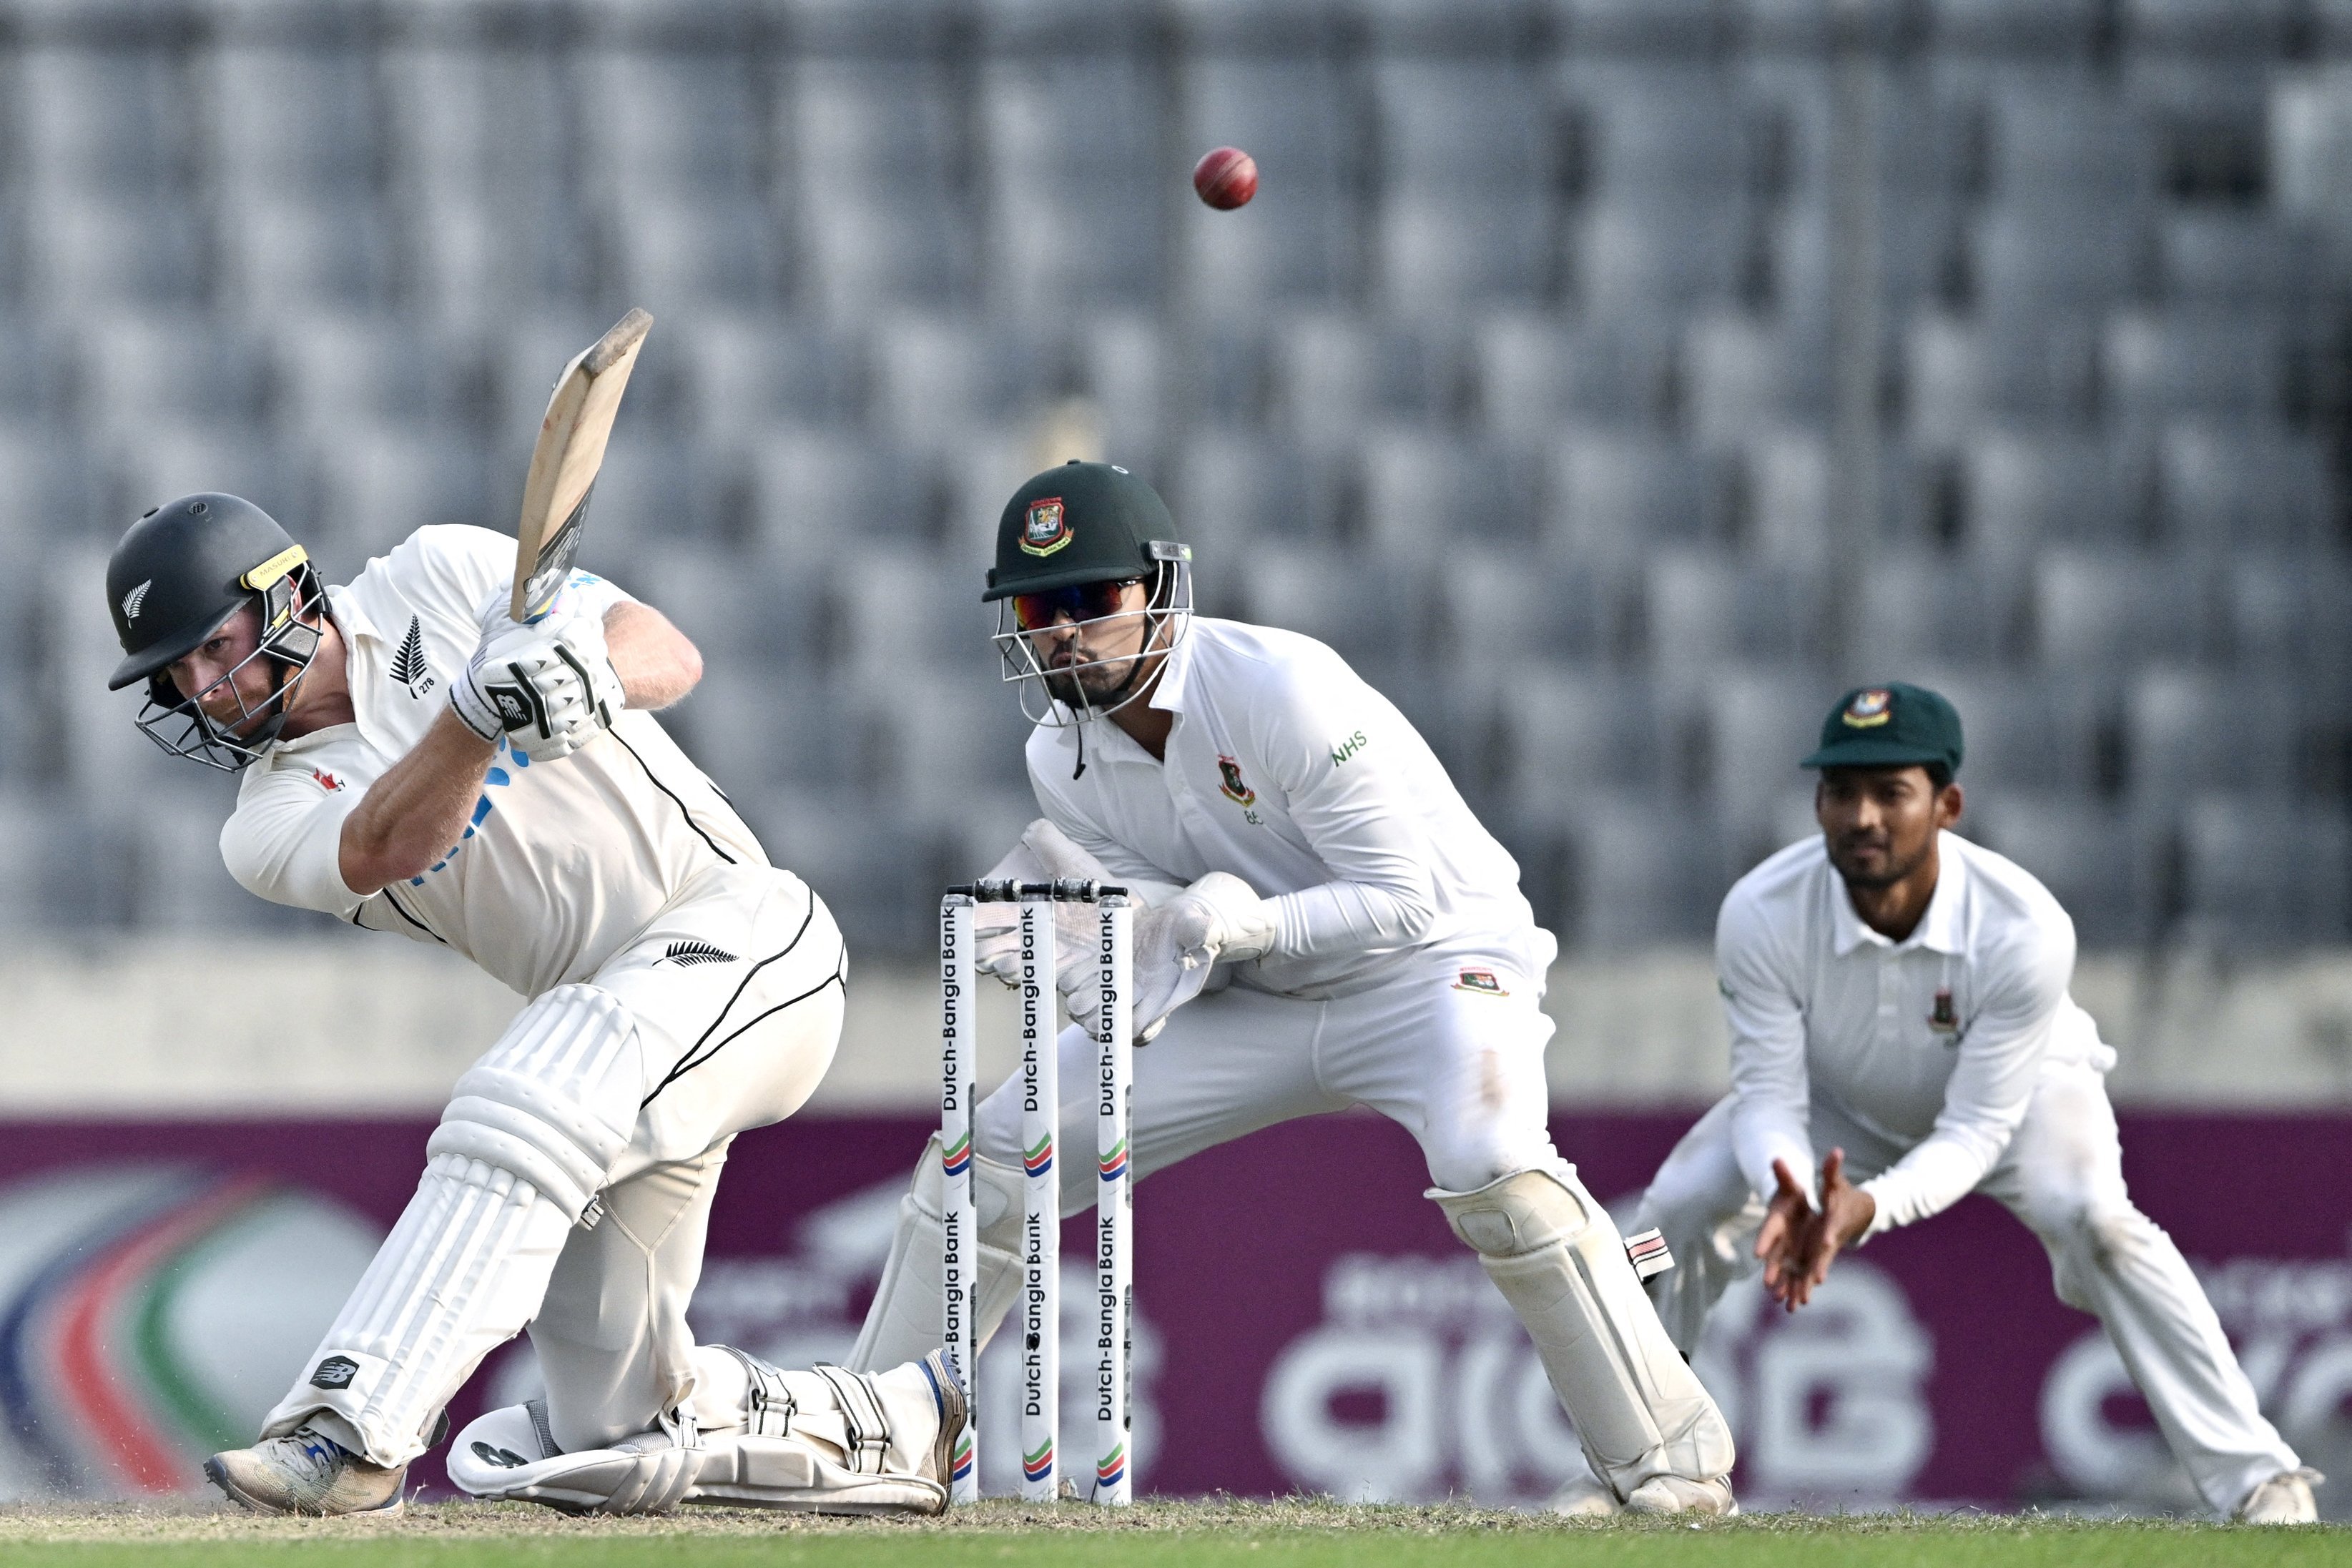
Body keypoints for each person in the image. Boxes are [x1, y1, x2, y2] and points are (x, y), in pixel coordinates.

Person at [847, 460, 1736, 1516]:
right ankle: (866, 1447)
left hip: (1429, 970)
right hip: (1248, 992)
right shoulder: (1059, 756)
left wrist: (1246, 918)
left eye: (1094, 600)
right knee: (990, 1156)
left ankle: (1668, 1464)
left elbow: (1401, 898)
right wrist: (1111, 938)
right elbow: (1160, 918)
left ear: (1160, 589)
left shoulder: (1278, 688)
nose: (1066, 632)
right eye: (1042, 607)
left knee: (1495, 1164)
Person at [103, 493, 960, 1517]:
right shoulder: (264, 824)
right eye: (176, 675)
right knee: (611, 1424)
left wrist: (584, 676)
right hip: (608, 1030)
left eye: (214, 647)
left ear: (283, 593)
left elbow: (666, 651)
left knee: (517, 1093)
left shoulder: (441, 571)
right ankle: (894, 1419)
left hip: (745, 939)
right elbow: (387, 844)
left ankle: (347, 1433)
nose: (205, 687)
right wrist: (474, 716)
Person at [1630, 681, 2320, 1524]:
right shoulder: (1760, 911)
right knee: (1663, 1223)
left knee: (2095, 1218)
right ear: (1817, 801)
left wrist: (1865, 1208)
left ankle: (2258, 1481)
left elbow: (1976, 1130)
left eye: (1892, 793)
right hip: (1835, 1101)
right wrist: (1793, 1187)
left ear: (1946, 804)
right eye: (1842, 793)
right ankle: (1646, 1470)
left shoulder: (2023, 928)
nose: (1863, 819)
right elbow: (1768, 1092)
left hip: (2024, 1099)